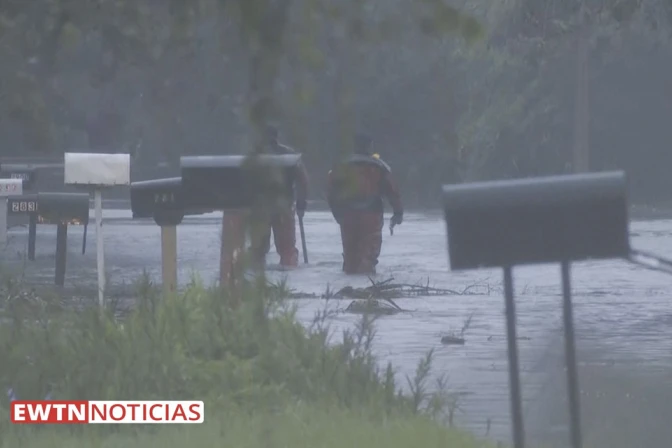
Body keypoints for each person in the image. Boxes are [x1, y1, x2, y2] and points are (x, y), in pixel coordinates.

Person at [327, 133, 403, 275]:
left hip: (347, 215)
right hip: (371, 215)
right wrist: (398, 212)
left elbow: (331, 191)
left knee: (350, 256)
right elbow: (392, 190)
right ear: (370, 146)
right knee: (368, 256)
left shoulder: (341, 165)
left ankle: (349, 289)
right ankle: (366, 290)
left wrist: (336, 213)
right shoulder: (379, 166)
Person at [250, 125, 309, 268]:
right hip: (283, 206)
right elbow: (303, 181)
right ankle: (288, 274)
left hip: (262, 207)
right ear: (277, 137)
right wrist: (302, 202)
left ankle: (257, 275)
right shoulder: (289, 155)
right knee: (287, 248)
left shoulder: (255, 155)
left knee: (258, 249)